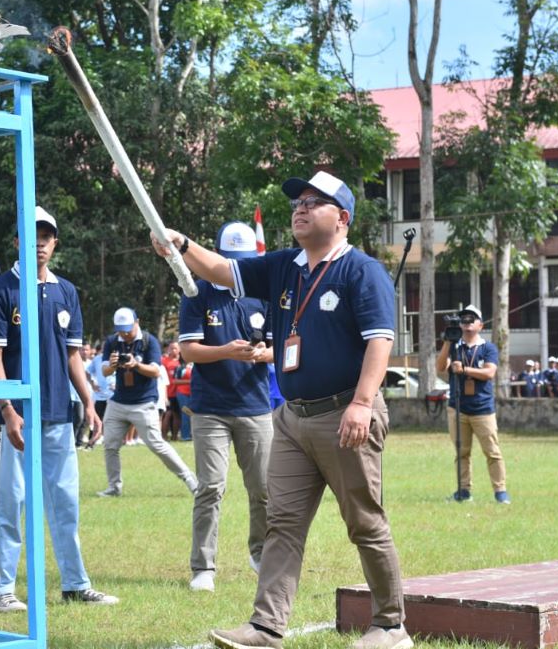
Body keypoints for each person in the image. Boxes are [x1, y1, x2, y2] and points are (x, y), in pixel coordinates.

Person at [153, 170, 411, 649]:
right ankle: (267, 626)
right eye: (298, 202)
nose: (301, 208)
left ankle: (391, 626)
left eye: (315, 202)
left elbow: (381, 341)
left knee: (363, 520)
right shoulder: (284, 267)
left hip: (344, 414)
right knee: (283, 523)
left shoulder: (362, 270)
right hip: (293, 417)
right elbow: (221, 271)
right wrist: (181, 244)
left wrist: (360, 403)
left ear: (343, 217)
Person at [0, 205, 116, 611]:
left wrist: (90, 402)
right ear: (19, 240)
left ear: (55, 242)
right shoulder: (2, 290)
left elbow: (74, 356)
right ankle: (1, 588)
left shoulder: (66, 291)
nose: (39, 241)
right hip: (17, 418)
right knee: (11, 501)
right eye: (31, 234)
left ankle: (75, 583)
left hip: (59, 413)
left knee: (66, 502)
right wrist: (7, 409)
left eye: (46, 235)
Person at [179, 221, 274, 593]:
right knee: (210, 488)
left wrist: (264, 354)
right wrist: (227, 351)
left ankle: (262, 553)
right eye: (232, 260)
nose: (238, 267)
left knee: (264, 488)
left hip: (255, 406)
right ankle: (203, 567)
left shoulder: (263, 295)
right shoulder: (196, 292)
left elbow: (281, 345)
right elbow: (188, 350)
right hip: (210, 408)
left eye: (245, 260)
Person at [98, 308, 198, 497]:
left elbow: (155, 371)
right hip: (118, 402)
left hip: (144, 403)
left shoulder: (148, 341)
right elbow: (104, 371)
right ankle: (114, 487)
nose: (125, 334)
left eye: (128, 329)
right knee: (110, 445)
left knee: (156, 445)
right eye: (121, 330)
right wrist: (111, 365)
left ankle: (190, 479)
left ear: (137, 322)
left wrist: (136, 365)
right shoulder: (112, 341)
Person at [436, 305, 509, 505]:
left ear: (480, 325)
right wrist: (446, 343)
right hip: (457, 407)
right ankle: (463, 491)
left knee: (492, 451)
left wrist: (465, 369)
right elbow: (440, 367)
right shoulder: (455, 346)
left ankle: (500, 491)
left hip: (482, 408)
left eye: (471, 320)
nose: (466, 324)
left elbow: (489, 373)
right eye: (463, 321)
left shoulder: (488, 348)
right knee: (461, 452)